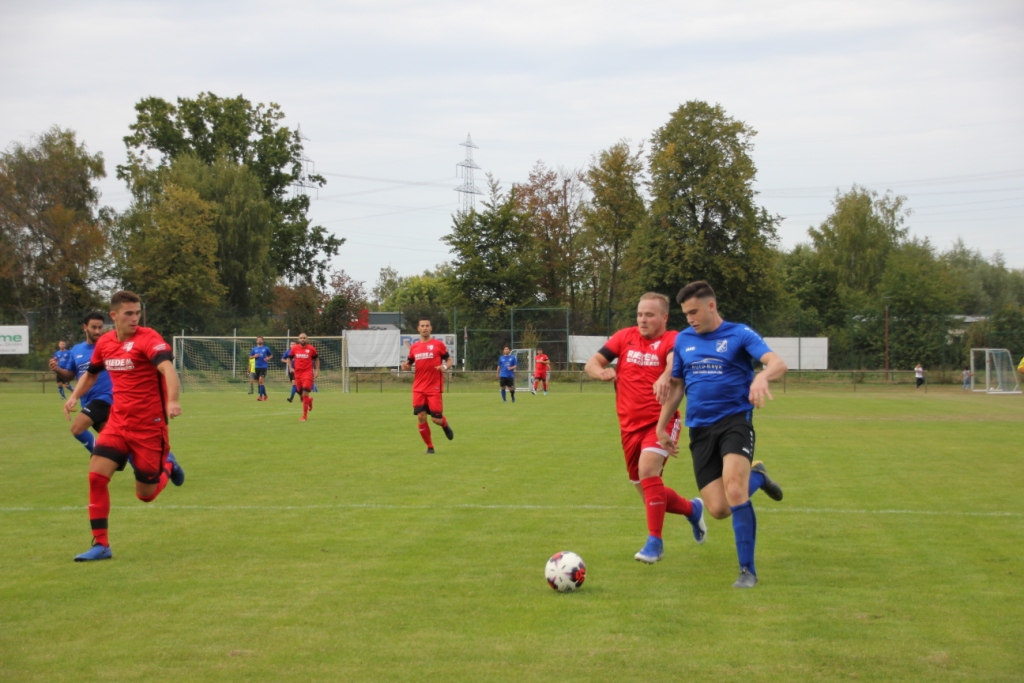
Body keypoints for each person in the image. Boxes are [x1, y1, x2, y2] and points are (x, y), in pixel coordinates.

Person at [656, 281, 786, 588]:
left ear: (711, 306)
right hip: (699, 430)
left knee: (735, 490)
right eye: (685, 314)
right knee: (718, 509)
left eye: (694, 312)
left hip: (734, 422)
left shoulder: (739, 334)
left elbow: (777, 362)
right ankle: (759, 477)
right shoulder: (684, 340)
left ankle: (747, 571)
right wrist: (662, 426)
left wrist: (762, 377)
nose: (689, 319)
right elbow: (676, 387)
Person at [63, 291, 185, 562]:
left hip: (149, 427)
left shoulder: (148, 338)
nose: (134, 318)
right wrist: (73, 396)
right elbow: (91, 374)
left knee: (145, 495)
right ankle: (101, 544)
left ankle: (169, 466)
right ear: (114, 316)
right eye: (128, 313)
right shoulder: (105, 343)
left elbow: (167, 369)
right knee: (96, 477)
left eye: (137, 312)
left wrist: (173, 400)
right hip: (118, 423)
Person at [584, 293, 707, 564]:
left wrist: (665, 374)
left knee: (648, 470)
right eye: (640, 314)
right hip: (628, 427)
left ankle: (655, 543)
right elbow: (591, 363)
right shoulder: (624, 337)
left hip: (660, 421)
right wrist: (600, 372)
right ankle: (692, 509)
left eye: (649, 315)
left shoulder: (673, 338)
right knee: (649, 492)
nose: (643, 319)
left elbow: (675, 362)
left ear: (664, 318)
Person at [49, 312, 114, 454]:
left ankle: (102, 457)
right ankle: (165, 469)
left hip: (105, 398)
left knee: (77, 428)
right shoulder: (76, 350)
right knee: (115, 441)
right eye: (93, 327)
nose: (97, 331)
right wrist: (57, 369)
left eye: (100, 327)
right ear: (85, 327)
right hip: (87, 402)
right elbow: (70, 375)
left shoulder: (108, 347)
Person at [400, 318, 454, 453]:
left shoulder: (438, 345)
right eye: (422, 326)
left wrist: (444, 367)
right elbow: (409, 363)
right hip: (418, 388)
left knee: (436, 419)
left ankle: (444, 424)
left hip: (434, 387)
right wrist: (405, 366)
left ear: (431, 328)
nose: (425, 328)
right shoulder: (414, 347)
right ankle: (430, 447)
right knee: (421, 416)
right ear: (418, 329)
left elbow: (449, 360)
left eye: (427, 326)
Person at [286, 333, 319, 421]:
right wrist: (290, 367)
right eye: (301, 338)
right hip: (298, 373)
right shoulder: (295, 348)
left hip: (307, 373)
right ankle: (309, 400)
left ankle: (304, 416)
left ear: (307, 339)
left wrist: (317, 370)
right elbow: (289, 358)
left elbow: (316, 359)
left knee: (305, 391)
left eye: (304, 338)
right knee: (300, 392)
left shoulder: (311, 348)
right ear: (298, 339)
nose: (302, 339)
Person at [250, 336, 273, 401]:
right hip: (256, 367)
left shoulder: (266, 348)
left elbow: (271, 355)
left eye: (261, 340)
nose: (259, 341)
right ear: (256, 341)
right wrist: (254, 356)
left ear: (263, 341)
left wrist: (268, 358)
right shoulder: (254, 349)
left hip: (263, 367)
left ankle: (260, 396)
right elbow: (250, 357)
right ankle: (265, 395)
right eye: (258, 340)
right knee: (259, 383)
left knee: (261, 381)